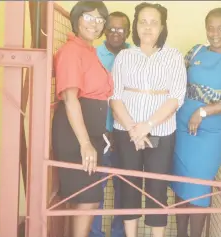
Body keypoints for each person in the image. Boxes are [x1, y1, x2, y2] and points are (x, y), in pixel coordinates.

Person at [170, 7, 221, 237]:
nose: (215, 33)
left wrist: (205, 111)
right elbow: (177, 81)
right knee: (180, 181)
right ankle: (180, 234)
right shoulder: (195, 52)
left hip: (211, 132)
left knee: (199, 184)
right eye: (211, 28)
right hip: (182, 127)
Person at [109, 2, 187, 237]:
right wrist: (133, 128)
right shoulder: (124, 56)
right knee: (128, 186)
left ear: (162, 27)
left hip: (161, 132)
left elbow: (176, 98)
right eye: (143, 21)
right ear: (136, 25)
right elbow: (114, 96)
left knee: (157, 189)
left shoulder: (173, 56)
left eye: (154, 22)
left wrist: (148, 125)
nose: (148, 27)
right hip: (126, 132)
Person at [51, 2, 112, 237]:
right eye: (89, 17)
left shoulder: (89, 50)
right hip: (75, 134)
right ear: (76, 19)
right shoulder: (71, 51)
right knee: (87, 199)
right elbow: (70, 99)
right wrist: (85, 143)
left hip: (90, 132)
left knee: (89, 198)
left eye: (99, 20)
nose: (94, 24)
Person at [90, 11, 131, 237]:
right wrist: (104, 130)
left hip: (127, 133)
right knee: (96, 188)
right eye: (112, 28)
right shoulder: (94, 54)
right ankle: (95, 233)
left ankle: (118, 233)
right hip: (100, 133)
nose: (116, 33)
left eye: (121, 29)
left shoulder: (135, 54)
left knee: (124, 189)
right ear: (105, 29)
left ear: (128, 31)